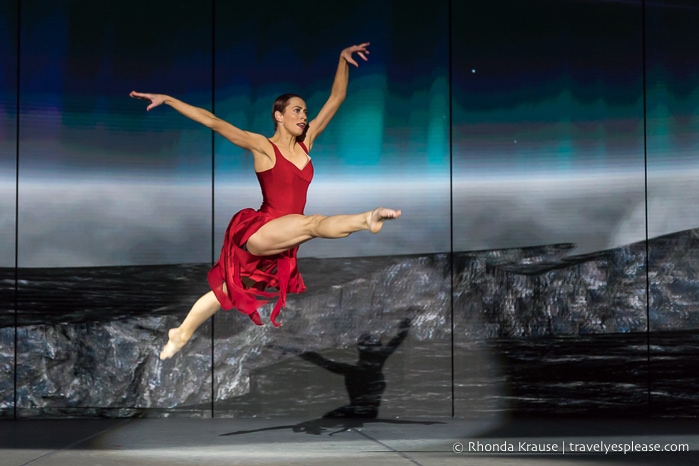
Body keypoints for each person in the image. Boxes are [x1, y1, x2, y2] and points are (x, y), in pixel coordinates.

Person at [130, 43, 401, 361]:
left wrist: (342, 60)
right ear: (279, 115)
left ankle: (181, 333)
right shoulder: (263, 147)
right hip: (263, 230)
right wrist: (170, 100)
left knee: (229, 291)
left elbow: (336, 99)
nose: (304, 116)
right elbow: (215, 122)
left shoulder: (306, 143)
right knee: (313, 224)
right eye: (297, 111)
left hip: (285, 238)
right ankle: (367, 218)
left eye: (305, 111)